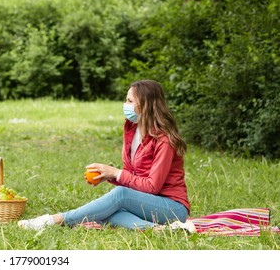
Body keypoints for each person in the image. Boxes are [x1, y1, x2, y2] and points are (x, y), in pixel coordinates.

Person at [18, 79, 195, 232]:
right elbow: (134, 177)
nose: (125, 105)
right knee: (103, 211)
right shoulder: (133, 130)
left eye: (129, 100)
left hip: (172, 207)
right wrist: (108, 176)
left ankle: (54, 220)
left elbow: (152, 186)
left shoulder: (163, 140)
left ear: (145, 104)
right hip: (147, 203)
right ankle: (158, 230)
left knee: (118, 196)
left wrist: (116, 173)